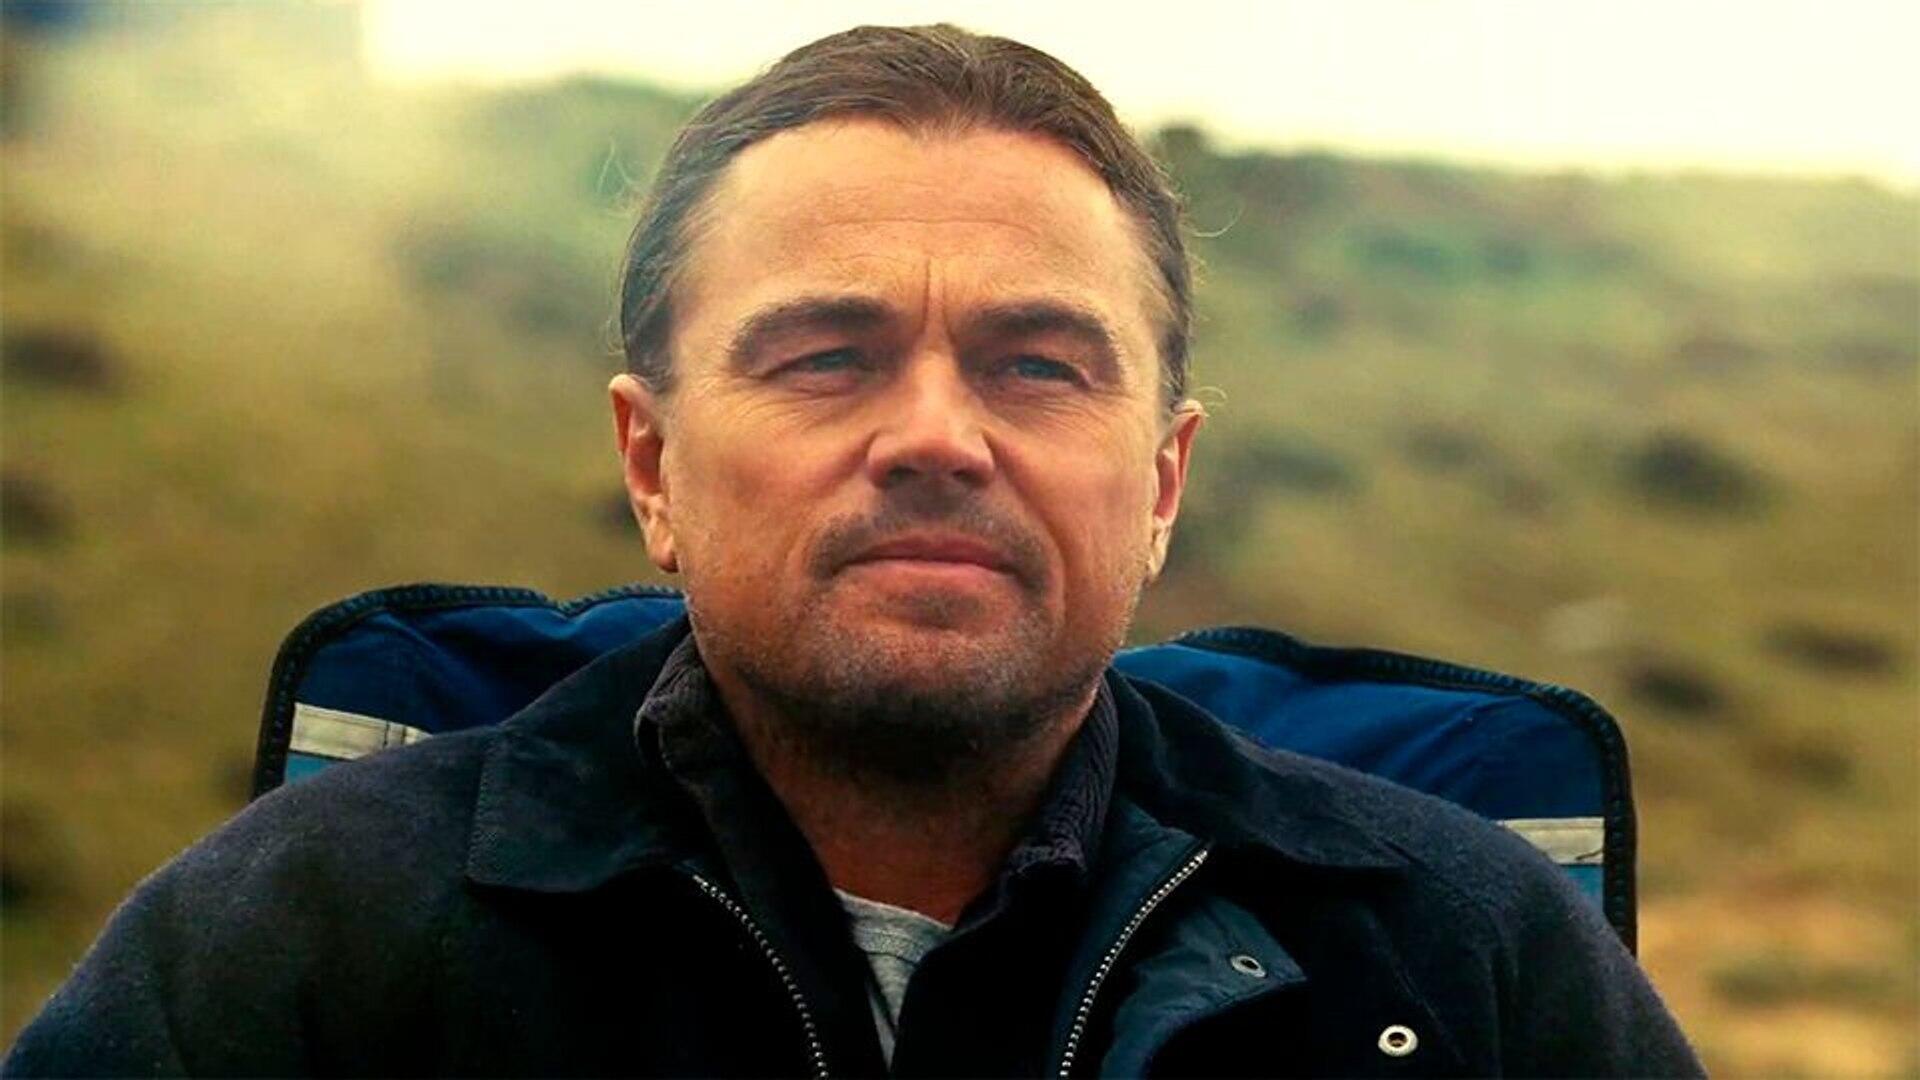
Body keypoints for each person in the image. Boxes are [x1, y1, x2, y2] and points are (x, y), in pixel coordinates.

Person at [5, 24, 1701, 1077]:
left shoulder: (1470, 953)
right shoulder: (299, 939)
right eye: (828, 356)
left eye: (1038, 365)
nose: (937, 435)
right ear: (653, 465)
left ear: (1163, 480)